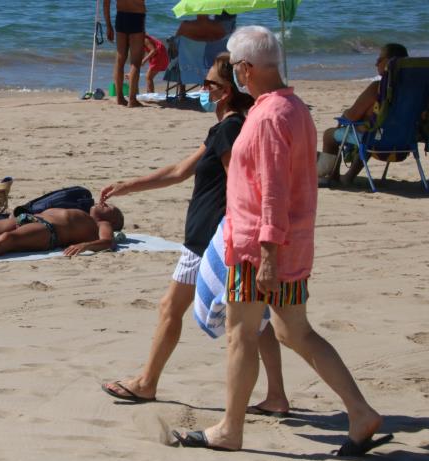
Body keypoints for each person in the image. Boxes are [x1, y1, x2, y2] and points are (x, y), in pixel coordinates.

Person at [172, 26, 389, 457]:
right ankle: (360, 412)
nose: (235, 74)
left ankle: (230, 430)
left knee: (242, 333)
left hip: (259, 246)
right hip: (287, 242)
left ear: (246, 69)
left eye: (235, 68)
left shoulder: (270, 116)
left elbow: (272, 191)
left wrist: (268, 255)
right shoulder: (292, 107)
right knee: (294, 331)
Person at [100, 53, 289, 415]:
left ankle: (147, 382)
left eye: (209, 84)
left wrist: (238, 230)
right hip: (218, 235)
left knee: (172, 307)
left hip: (210, 238)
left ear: (226, 91)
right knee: (256, 318)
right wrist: (129, 185)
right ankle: (277, 395)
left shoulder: (231, 128)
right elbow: (180, 171)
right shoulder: (225, 128)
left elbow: (240, 183)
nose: (204, 90)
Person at [318, 44, 409, 186]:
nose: (376, 63)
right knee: (371, 126)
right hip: (405, 140)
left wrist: (345, 114)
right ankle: (349, 176)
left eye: (380, 59)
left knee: (330, 134)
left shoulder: (377, 88)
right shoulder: (415, 91)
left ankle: (333, 175)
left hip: (377, 140)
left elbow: (351, 116)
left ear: (390, 62)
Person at [103, 0, 146, 107]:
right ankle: (132, 99)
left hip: (121, 17)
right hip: (136, 17)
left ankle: (120, 98)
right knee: (135, 61)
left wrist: (108, 25)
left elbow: (106, 3)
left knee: (120, 59)